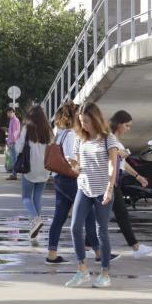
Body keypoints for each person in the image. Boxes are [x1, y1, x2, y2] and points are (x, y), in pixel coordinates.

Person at [65, 102, 120, 289]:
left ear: (96, 119)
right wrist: (73, 165)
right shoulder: (80, 138)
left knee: (101, 231)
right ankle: (82, 270)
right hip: (84, 187)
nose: (84, 125)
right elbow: (79, 167)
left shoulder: (108, 139)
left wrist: (110, 188)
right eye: (81, 122)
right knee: (75, 227)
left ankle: (105, 274)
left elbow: (112, 165)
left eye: (87, 121)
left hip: (103, 190)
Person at [46, 101, 102, 265]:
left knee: (59, 217)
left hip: (59, 178)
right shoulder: (71, 135)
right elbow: (72, 160)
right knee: (89, 213)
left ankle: (51, 254)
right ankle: (99, 253)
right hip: (69, 179)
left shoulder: (61, 133)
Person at [108, 110, 152, 259]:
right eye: (127, 125)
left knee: (117, 214)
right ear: (118, 124)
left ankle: (135, 247)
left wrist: (138, 176)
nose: (128, 129)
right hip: (109, 181)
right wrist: (119, 154)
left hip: (114, 181)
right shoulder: (110, 138)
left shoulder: (114, 139)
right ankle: (135, 247)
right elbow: (110, 157)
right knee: (113, 215)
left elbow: (122, 163)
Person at [15, 106, 53, 240]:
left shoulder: (27, 129)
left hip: (30, 168)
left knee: (26, 197)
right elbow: (52, 148)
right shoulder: (48, 130)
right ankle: (35, 224)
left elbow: (19, 148)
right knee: (37, 198)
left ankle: (36, 220)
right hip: (45, 169)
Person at [5, 108, 21, 180]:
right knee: (14, 159)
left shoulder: (15, 120)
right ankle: (14, 173)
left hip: (14, 143)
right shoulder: (12, 120)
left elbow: (15, 132)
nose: (9, 114)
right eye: (8, 112)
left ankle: (14, 174)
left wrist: (12, 141)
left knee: (15, 159)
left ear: (13, 112)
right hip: (12, 142)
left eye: (10, 112)